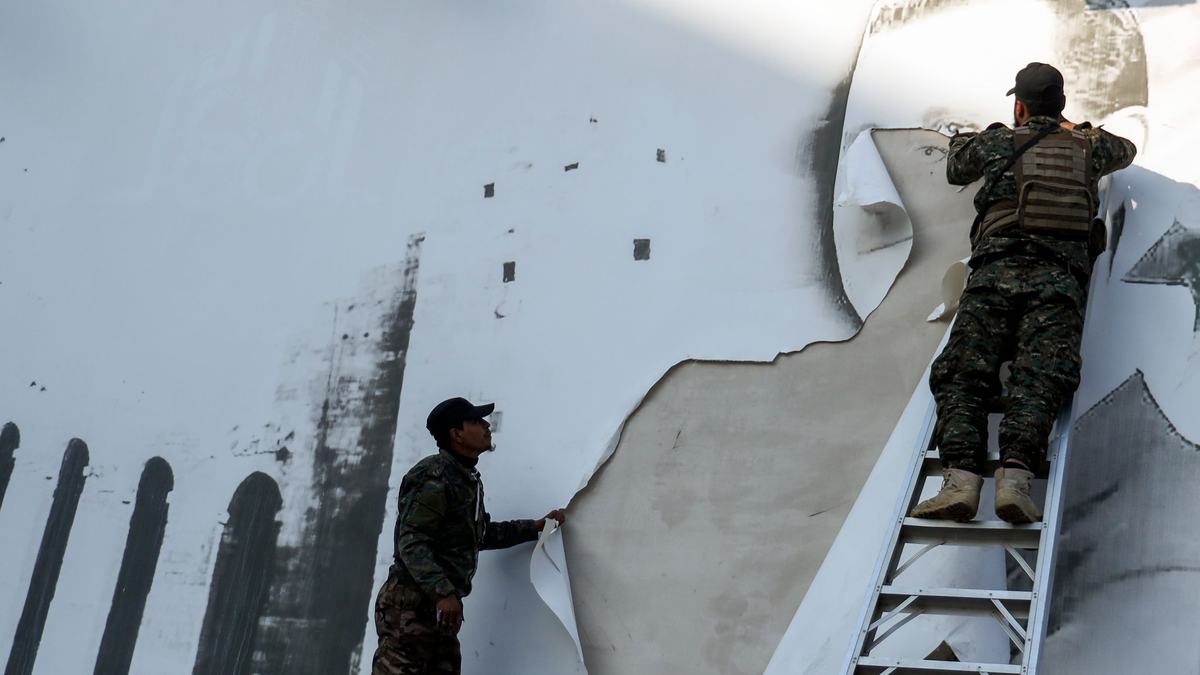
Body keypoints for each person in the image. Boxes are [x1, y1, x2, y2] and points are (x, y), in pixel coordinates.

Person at [912, 62, 1136, 524]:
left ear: (1019, 105)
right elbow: (1126, 149)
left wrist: (970, 137)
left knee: (963, 374)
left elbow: (956, 167)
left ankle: (960, 479)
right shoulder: (1089, 147)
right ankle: (1015, 480)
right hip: (1058, 284)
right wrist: (1078, 129)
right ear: (1062, 105)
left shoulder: (997, 143)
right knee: (1040, 378)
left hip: (994, 276)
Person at [372, 397, 566, 675]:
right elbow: (411, 541)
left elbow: (480, 534)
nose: (487, 426)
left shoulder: (464, 477)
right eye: (476, 421)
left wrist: (535, 527)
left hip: (440, 608)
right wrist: (443, 593)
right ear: (456, 435)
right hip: (411, 605)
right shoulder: (434, 476)